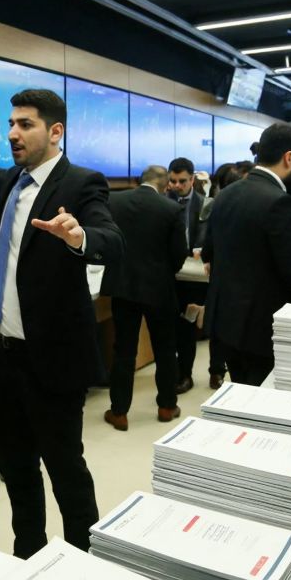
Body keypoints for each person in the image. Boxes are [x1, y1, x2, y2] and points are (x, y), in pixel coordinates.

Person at [0, 84, 122, 558]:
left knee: (65, 470)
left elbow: (111, 239)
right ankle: (27, 555)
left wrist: (79, 236)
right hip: (5, 356)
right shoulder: (13, 180)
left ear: (55, 132)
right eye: (10, 124)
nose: (13, 133)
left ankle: (82, 564)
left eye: (24, 124)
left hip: (52, 360)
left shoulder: (81, 182)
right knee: (15, 469)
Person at [202, 122, 291, 385]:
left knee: (243, 394)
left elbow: (244, 245)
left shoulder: (227, 193)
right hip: (260, 328)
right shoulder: (279, 201)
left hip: (227, 323)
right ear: (289, 158)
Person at [101, 165, 187, 427]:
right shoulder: (172, 209)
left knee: (124, 350)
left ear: (141, 181)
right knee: (164, 349)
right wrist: (164, 272)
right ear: (165, 186)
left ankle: (119, 412)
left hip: (123, 287)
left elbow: (107, 240)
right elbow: (178, 253)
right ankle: (166, 406)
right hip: (159, 288)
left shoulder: (114, 201)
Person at [167, 157, 215, 390]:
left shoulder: (206, 203)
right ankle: (173, 372)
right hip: (169, 276)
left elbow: (209, 234)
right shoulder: (162, 202)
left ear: (192, 180)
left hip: (195, 276)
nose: (177, 185)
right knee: (171, 328)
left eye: (182, 181)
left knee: (187, 328)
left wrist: (202, 248)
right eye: (173, 181)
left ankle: (185, 374)